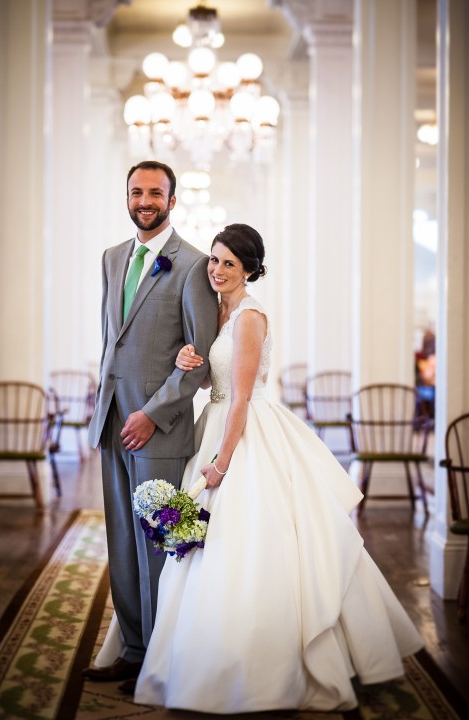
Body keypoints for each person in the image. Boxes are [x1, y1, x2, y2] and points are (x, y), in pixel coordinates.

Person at [96, 223, 424, 712]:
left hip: (244, 432)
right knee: (190, 546)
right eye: (214, 259)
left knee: (248, 546)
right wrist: (190, 358)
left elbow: (242, 398)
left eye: (230, 263)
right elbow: (211, 374)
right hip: (214, 422)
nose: (217, 270)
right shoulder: (217, 310)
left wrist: (221, 462)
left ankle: (259, 667)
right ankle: (185, 652)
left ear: (250, 269)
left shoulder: (249, 317)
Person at [81, 160, 219, 684]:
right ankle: (136, 649)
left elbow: (199, 359)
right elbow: (109, 344)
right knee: (121, 540)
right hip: (112, 421)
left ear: (172, 201)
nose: (145, 200)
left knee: (163, 543)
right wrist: (106, 407)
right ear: (127, 198)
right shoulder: (112, 258)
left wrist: (152, 413)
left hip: (159, 429)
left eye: (154, 193)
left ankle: (167, 655)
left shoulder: (194, 265)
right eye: (136, 192)